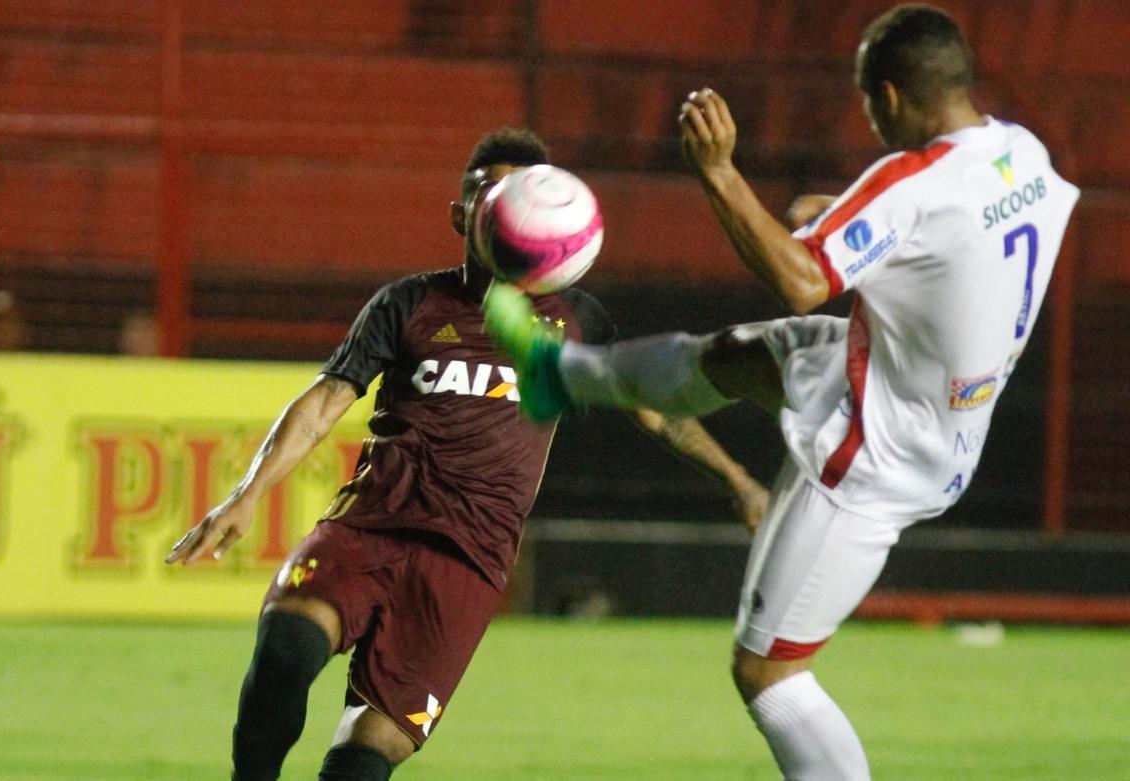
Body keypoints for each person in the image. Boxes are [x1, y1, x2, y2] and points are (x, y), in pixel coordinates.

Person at [482, 6, 1079, 779]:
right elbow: (954, 236)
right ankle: (558, 375)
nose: (870, 117)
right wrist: (846, 216)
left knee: (769, 675)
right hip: (916, 391)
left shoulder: (911, 184)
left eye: (869, 102)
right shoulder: (1023, 155)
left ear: (891, 95)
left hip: (871, 451)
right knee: (729, 358)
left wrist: (721, 173)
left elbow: (803, 280)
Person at [165, 127, 769, 781]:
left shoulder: (575, 321)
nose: (506, 208)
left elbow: (658, 412)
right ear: (462, 216)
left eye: (520, 195)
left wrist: (738, 479)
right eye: (488, 194)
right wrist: (247, 494)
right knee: (285, 647)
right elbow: (321, 404)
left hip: (465, 565)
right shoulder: (410, 303)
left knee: (363, 760)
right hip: (369, 527)